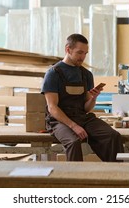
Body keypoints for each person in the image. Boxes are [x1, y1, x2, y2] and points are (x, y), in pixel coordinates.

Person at [41, 33, 124, 162]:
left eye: (85, 53)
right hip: (59, 121)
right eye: (80, 53)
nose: (83, 57)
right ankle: (76, 180)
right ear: (68, 49)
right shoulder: (53, 74)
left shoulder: (86, 75)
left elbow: (86, 108)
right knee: (74, 142)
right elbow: (52, 108)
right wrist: (74, 126)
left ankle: (118, 176)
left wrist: (93, 98)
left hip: (82, 117)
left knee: (113, 136)